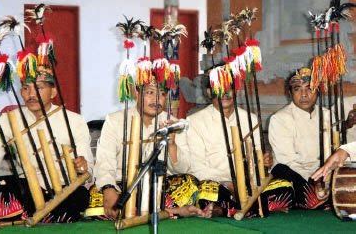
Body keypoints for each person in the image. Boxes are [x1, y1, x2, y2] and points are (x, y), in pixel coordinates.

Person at [0, 68, 93, 222]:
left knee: (79, 197)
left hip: (64, 190)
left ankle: (27, 214)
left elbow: (87, 166)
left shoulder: (75, 120)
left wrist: (82, 166)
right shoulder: (9, 119)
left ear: (53, 92)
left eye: (39, 88)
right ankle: (37, 214)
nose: (31, 94)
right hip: (25, 189)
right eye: (26, 88)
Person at [177, 70, 291, 218]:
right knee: (204, 192)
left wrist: (264, 162)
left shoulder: (251, 119)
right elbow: (197, 168)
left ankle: (227, 209)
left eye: (229, 87)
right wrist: (230, 185)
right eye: (219, 87)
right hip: (218, 183)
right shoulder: (194, 121)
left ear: (236, 89)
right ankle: (255, 206)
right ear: (209, 91)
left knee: (285, 186)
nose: (225, 93)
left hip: (249, 184)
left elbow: (258, 161)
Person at [93, 79, 199, 219]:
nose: (156, 99)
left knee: (189, 183)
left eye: (161, 94)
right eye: (150, 92)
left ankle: (145, 211)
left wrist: (172, 145)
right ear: (136, 93)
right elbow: (104, 163)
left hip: (156, 187)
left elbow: (184, 169)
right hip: (122, 186)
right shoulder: (115, 121)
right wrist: (108, 190)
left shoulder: (173, 123)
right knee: (95, 196)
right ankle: (166, 211)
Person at [269, 67, 330, 209]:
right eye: (297, 89)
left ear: (318, 91)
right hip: (294, 173)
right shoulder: (279, 119)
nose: (304, 94)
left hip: (322, 175)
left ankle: (316, 198)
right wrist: (314, 182)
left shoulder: (327, 115)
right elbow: (288, 160)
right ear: (290, 93)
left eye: (310, 88)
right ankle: (312, 198)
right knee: (283, 174)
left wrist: (325, 180)